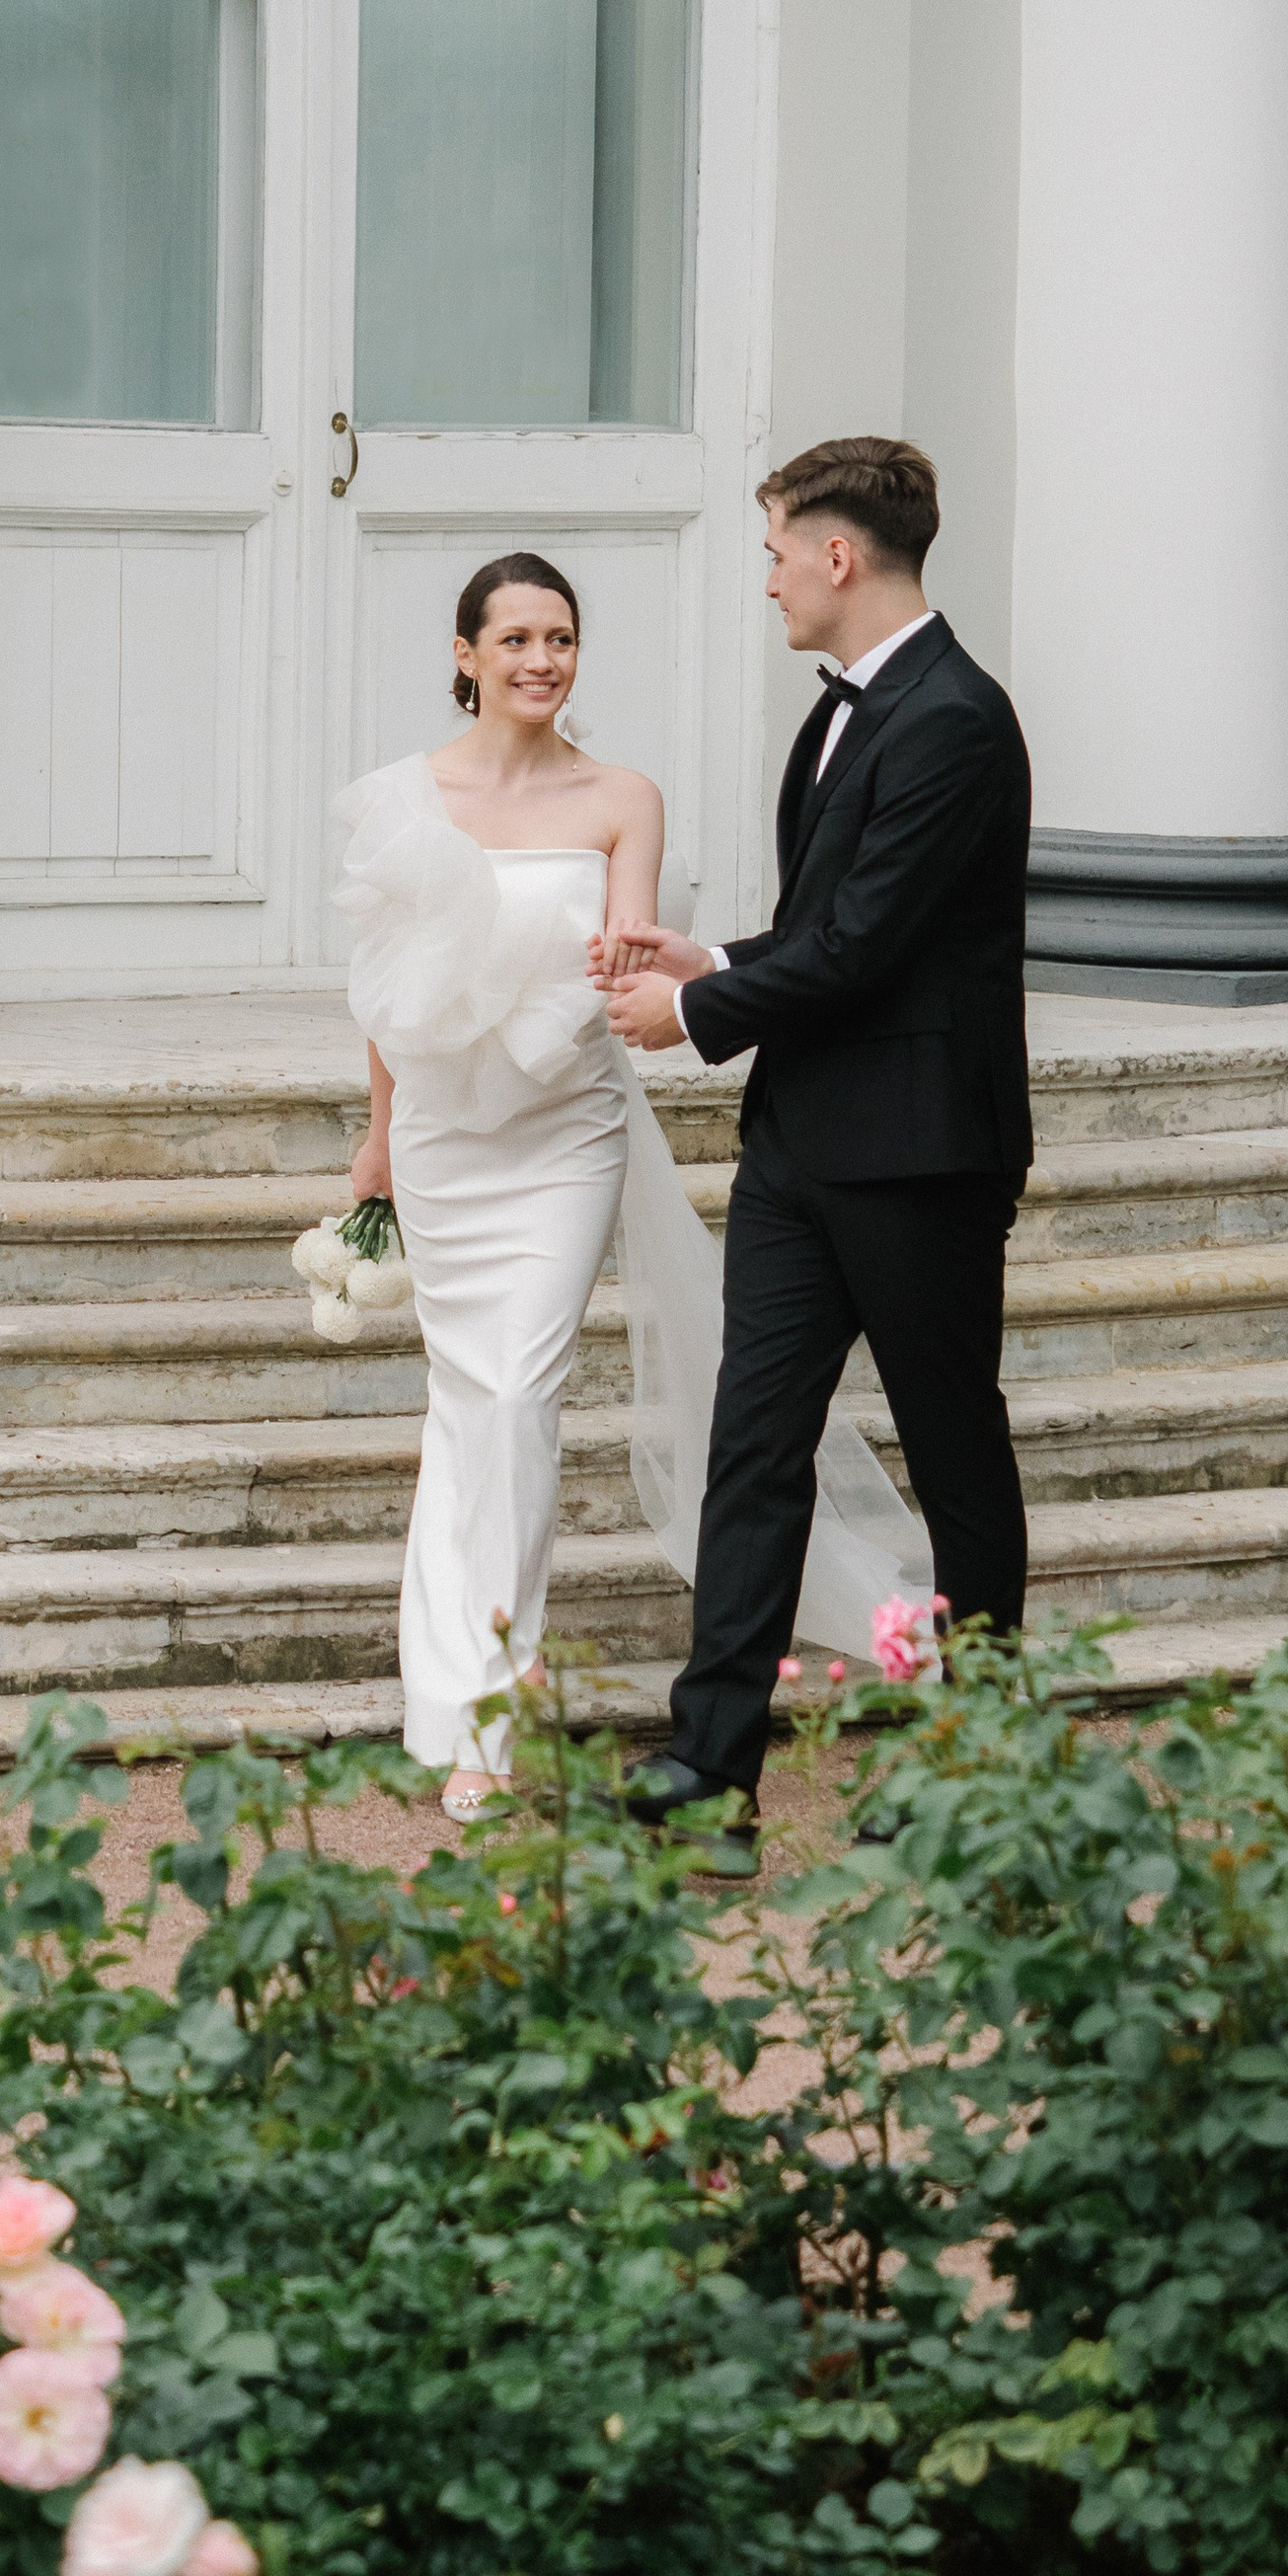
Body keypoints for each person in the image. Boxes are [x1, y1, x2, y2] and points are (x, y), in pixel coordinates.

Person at [341, 550, 933, 1821]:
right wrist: (379, 1138)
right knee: (463, 1399)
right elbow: (384, 996)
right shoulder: (405, 798)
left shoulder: (622, 796)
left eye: (559, 639)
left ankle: (492, 1717)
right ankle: (454, 1705)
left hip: (566, 1126)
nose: (540, 660)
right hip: (447, 1133)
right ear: (466, 657)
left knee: (517, 1391)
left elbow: (624, 964)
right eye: (514, 641)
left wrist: (625, 968)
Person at [598, 434, 1032, 1838]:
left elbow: (863, 949)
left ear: (840, 557)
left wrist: (696, 1004)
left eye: (779, 549)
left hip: (919, 1155)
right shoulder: (843, 710)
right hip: (799, 1146)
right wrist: (715, 948)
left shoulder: (957, 718)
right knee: (754, 1446)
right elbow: (838, 926)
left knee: (951, 1450)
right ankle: (710, 1763)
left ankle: (977, 1768)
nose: (771, 580)